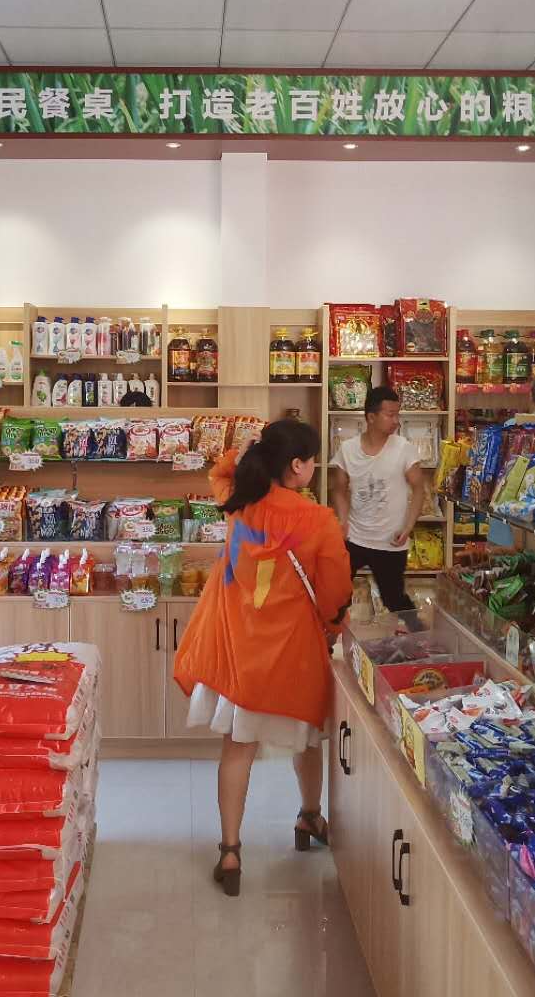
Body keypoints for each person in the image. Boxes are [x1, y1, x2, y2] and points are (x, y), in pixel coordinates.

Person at [172, 419, 353, 898]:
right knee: (307, 740)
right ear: (297, 466)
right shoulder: (317, 520)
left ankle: (230, 850)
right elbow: (335, 591)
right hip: (293, 652)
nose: (315, 467)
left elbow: (220, 470)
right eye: (312, 461)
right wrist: (334, 627)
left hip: (237, 648)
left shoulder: (240, 499)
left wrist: (248, 447)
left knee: (237, 747)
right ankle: (310, 815)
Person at [328, 385, 427, 626]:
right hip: (354, 538)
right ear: (371, 417)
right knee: (336, 595)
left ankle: (420, 637)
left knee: (394, 599)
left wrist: (408, 527)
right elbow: (338, 489)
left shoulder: (404, 449)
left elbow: (419, 489)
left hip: (390, 542)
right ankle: (327, 639)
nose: (396, 421)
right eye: (390, 415)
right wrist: (343, 521)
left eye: (397, 414)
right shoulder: (348, 449)